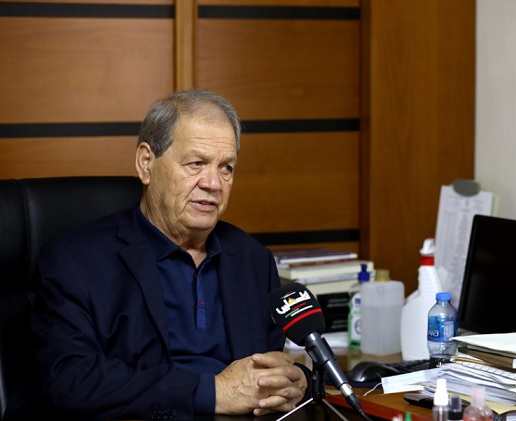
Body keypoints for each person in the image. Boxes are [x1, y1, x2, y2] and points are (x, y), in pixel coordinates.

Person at [28, 89, 311, 420]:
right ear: (146, 163)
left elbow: (265, 371)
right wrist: (212, 392)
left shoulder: (252, 259)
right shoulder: (74, 261)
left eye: (226, 167)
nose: (213, 183)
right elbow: (70, 381)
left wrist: (297, 381)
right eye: (196, 164)